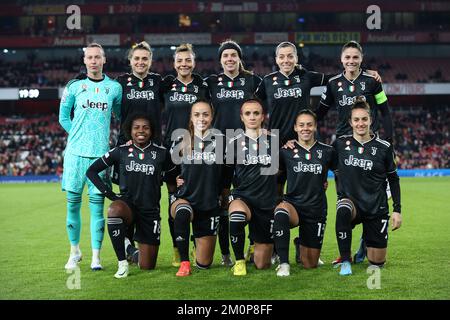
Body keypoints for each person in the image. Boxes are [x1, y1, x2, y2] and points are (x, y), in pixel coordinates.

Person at [314, 40, 393, 265]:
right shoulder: (333, 83)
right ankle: (346, 253)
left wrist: (390, 141)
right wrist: (301, 131)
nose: (351, 61)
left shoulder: (372, 82)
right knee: (344, 200)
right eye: (347, 57)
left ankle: (365, 243)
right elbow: (320, 113)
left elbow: (385, 112)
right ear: (341, 60)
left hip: (370, 147)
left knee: (373, 197)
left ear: (361, 58)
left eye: (355, 57)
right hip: (343, 149)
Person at [86, 113, 175, 278]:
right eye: (136, 127)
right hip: (128, 206)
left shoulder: (162, 153)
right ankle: (122, 263)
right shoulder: (121, 151)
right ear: (130, 131)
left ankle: (130, 250)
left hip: (150, 212)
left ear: (152, 130)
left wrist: (177, 189)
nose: (141, 131)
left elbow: (172, 178)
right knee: (114, 210)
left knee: (147, 266)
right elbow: (91, 171)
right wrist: (109, 194)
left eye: (145, 127)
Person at [59, 42, 122, 271]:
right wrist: (79, 137)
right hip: (75, 155)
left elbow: (120, 117)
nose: (94, 61)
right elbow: (63, 117)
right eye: (90, 57)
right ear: (84, 61)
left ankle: (96, 257)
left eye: (98, 57)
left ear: (104, 60)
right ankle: (74, 252)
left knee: (97, 208)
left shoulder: (114, 88)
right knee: (72, 206)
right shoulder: (74, 86)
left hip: (100, 157)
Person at [206, 40, 262, 266]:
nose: (229, 59)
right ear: (220, 60)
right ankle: (225, 253)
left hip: (248, 149)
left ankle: (251, 244)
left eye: (233, 55)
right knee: (222, 201)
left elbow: (263, 107)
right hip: (219, 149)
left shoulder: (253, 81)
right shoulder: (211, 82)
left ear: (239, 58)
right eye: (225, 56)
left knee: (254, 197)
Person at [332, 97, 402, 276]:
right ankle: (346, 260)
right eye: (356, 120)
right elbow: (319, 158)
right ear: (350, 122)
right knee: (343, 209)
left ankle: (366, 243)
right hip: (352, 204)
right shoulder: (340, 144)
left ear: (371, 120)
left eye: (364, 119)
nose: (360, 123)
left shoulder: (384, 148)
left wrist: (397, 210)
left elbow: (393, 179)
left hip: (376, 207)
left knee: (377, 263)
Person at [114, 41, 166, 261]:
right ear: (130, 60)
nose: (140, 62)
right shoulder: (120, 83)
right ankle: (127, 245)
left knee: (150, 195)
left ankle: (144, 237)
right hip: (126, 149)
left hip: (154, 151)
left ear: (151, 61)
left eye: (145, 58)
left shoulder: (158, 82)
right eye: (137, 58)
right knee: (127, 197)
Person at [162, 43, 210, 267]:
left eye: (188, 60)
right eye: (180, 60)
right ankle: (176, 246)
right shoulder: (166, 85)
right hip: (172, 151)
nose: (184, 64)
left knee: (199, 194)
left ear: (194, 62)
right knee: (174, 196)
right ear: (174, 63)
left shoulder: (202, 85)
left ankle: (196, 242)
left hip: (198, 149)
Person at [273, 110, 336, 276]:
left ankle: (299, 244)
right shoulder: (285, 151)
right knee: (280, 212)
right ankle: (284, 264)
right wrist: (278, 200)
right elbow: (277, 179)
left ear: (315, 126)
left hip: (316, 209)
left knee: (310, 264)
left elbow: (341, 175)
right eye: (301, 125)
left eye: (309, 124)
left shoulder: (327, 151)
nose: (305, 128)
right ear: (295, 127)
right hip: (293, 205)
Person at [169, 100, 226, 277]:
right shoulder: (180, 140)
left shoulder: (223, 141)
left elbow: (228, 174)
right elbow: (166, 170)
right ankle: (184, 262)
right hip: (185, 199)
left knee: (204, 264)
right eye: (197, 114)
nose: (201, 118)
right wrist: (175, 179)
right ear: (191, 117)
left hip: (209, 204)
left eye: (205, 114)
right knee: (183, 212)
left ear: (212, 116)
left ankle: (196, 247)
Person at [225, 98, 279, 276]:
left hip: (266, 203)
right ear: (242, 117)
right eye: (248, 113)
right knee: (237, 216)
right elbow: (223, 174)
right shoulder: (233, 142)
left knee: (262, 265)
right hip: (243, 198)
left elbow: (285, 170)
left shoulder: (274, 141)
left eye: (256, 113)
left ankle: (256, 246)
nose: (252, 117)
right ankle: (239, 260)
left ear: (263, 116)